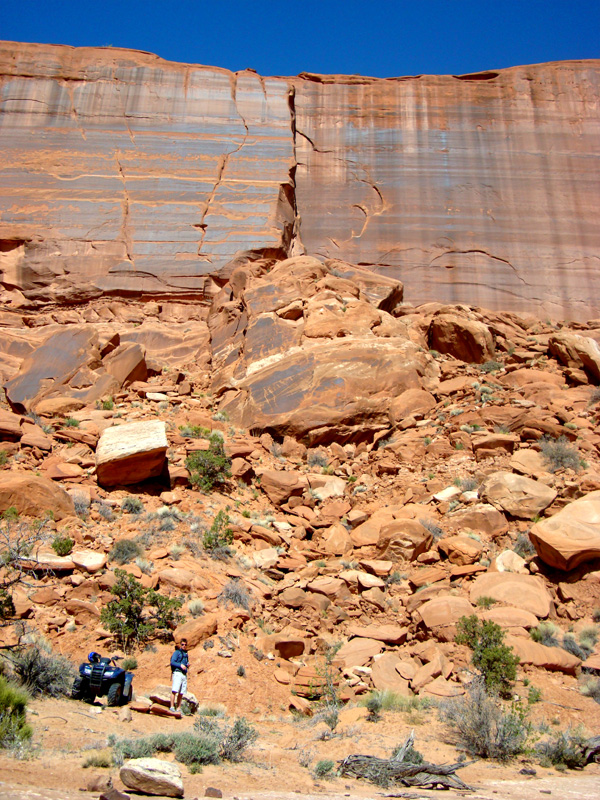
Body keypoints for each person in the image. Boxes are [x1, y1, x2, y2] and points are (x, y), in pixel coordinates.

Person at [170, 638, 189, 713]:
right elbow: (172, 662)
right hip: (177, 673)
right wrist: (180, 665)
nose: (184, 646)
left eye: (185, 645)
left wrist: (187, 665)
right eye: (182, 644)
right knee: (174, 690)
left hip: (184, 674)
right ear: (180, 645)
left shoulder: (186, 654)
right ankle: (171, 707)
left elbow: (186, 664)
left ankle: (178, 708)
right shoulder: (177, 652)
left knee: (181, 692)